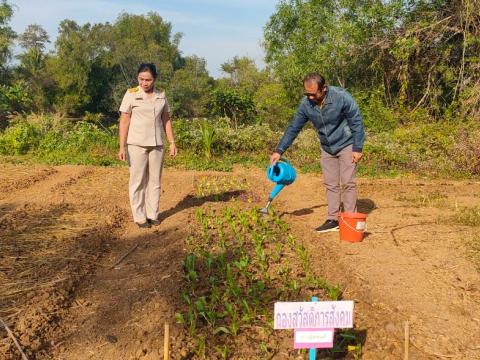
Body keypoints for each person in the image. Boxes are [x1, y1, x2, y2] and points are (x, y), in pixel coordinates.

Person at [270, 72, 365, 233]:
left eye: (313, 94)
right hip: (327, 147)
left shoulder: (341, 97)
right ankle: (333, 219)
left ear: (324, 89)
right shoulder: (306, 104)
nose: (310, 97)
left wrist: (357, 147)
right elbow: (294, 127)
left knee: (348, 182)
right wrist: (279, 150)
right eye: (307, 94)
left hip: (346, 143)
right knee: (330, 184)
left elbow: (356, 121)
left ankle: (349, 219)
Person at [118, 63, 177, 228]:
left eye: (148, 80)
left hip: (157, 143)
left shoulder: (161, 96)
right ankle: (139, 216)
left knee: (155, 180)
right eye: (141, 79)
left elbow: (166, 119)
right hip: (136, 144)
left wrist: (172, 142)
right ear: (138, 78)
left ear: (155, 79)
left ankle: (153, 214)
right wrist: (122, 146)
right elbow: (124, 121)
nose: (145, 83)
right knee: (137, 181)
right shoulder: (131, 94)